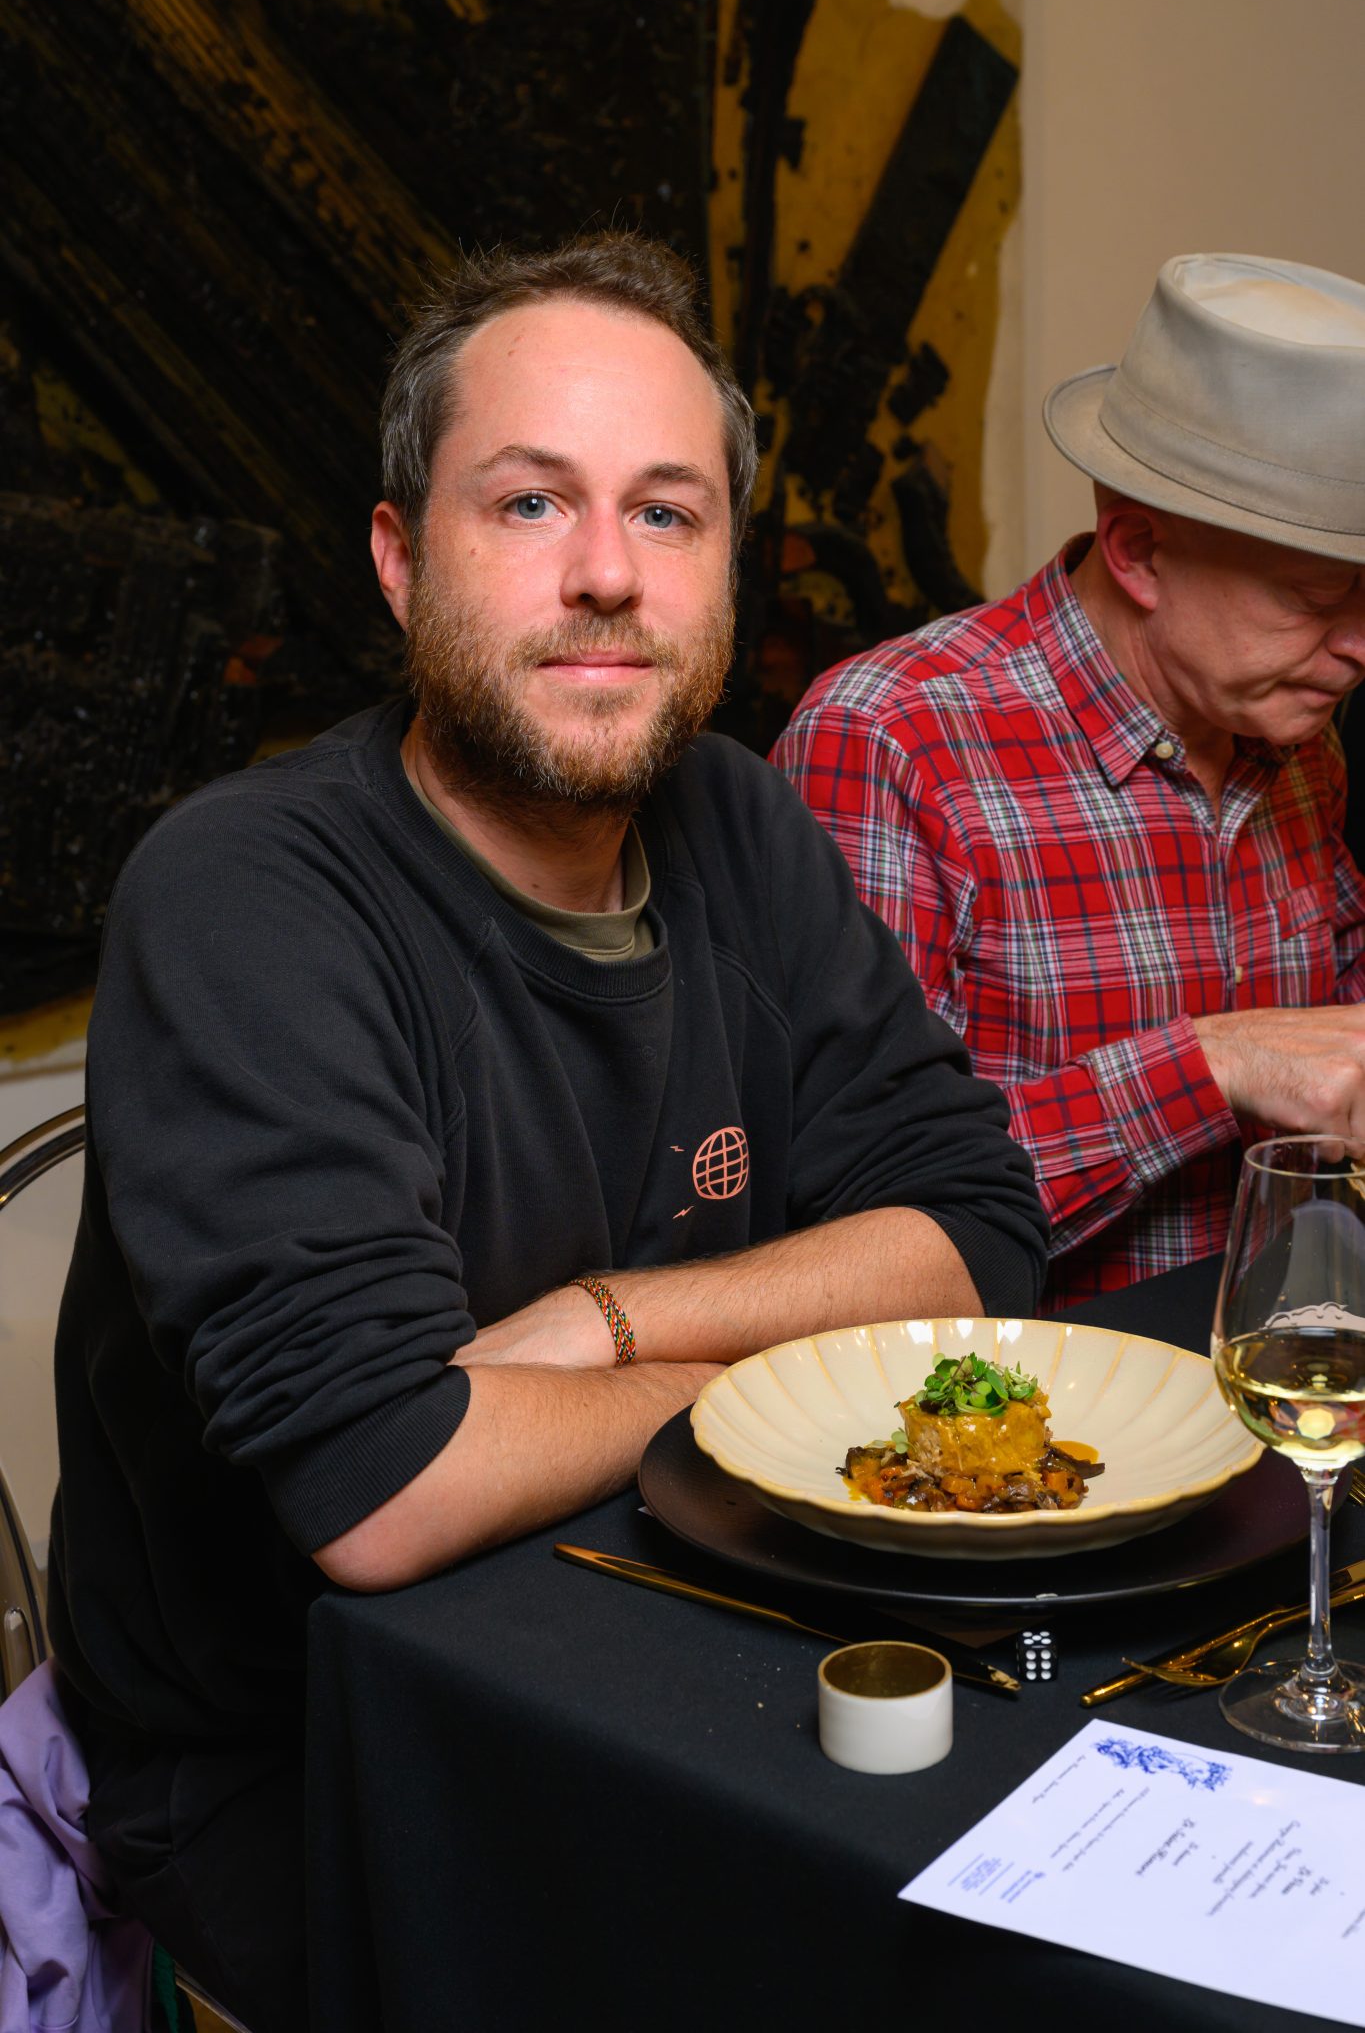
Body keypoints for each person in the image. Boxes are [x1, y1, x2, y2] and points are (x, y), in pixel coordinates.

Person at [46, 232, 1046, 2031]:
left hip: (692, 1649)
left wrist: (601, 1324)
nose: (606, 572)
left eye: (668, 512)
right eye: (529, 502)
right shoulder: (247, 892)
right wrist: (793, 1370)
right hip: (325, 1759)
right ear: (397, 556)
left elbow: (975, 1229)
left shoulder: (736, 819)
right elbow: (387, 1484)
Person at [774, 253, 1365, 1311]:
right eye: (1316, 598)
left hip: (1284, 1353)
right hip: (1028, 1402)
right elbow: (851, 1209)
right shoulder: (890, 742)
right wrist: (1208, 1065)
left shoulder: (1296, 734)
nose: (1359, 646)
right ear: (1138, 553)